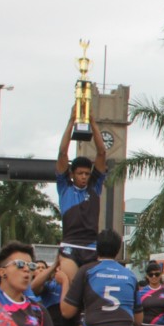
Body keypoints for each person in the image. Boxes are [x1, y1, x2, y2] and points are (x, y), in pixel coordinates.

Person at [61, 229, 140, 326]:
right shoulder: (130, 275)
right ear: (118, 249)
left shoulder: (87, 271)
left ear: (96, 248)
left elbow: (67, 312)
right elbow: (138, 320)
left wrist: (64, 281)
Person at [55, 106, 107, 283]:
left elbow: (102, 153)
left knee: (88, 290)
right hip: (70, 244)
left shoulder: (95, 187)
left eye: (87, 174)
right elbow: (62, 153)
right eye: (80, 173)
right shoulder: (64, 187)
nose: (84, 177)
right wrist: (71, 121)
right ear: (72, 174)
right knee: (71, 284)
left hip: (91, 246)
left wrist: (93, 122)